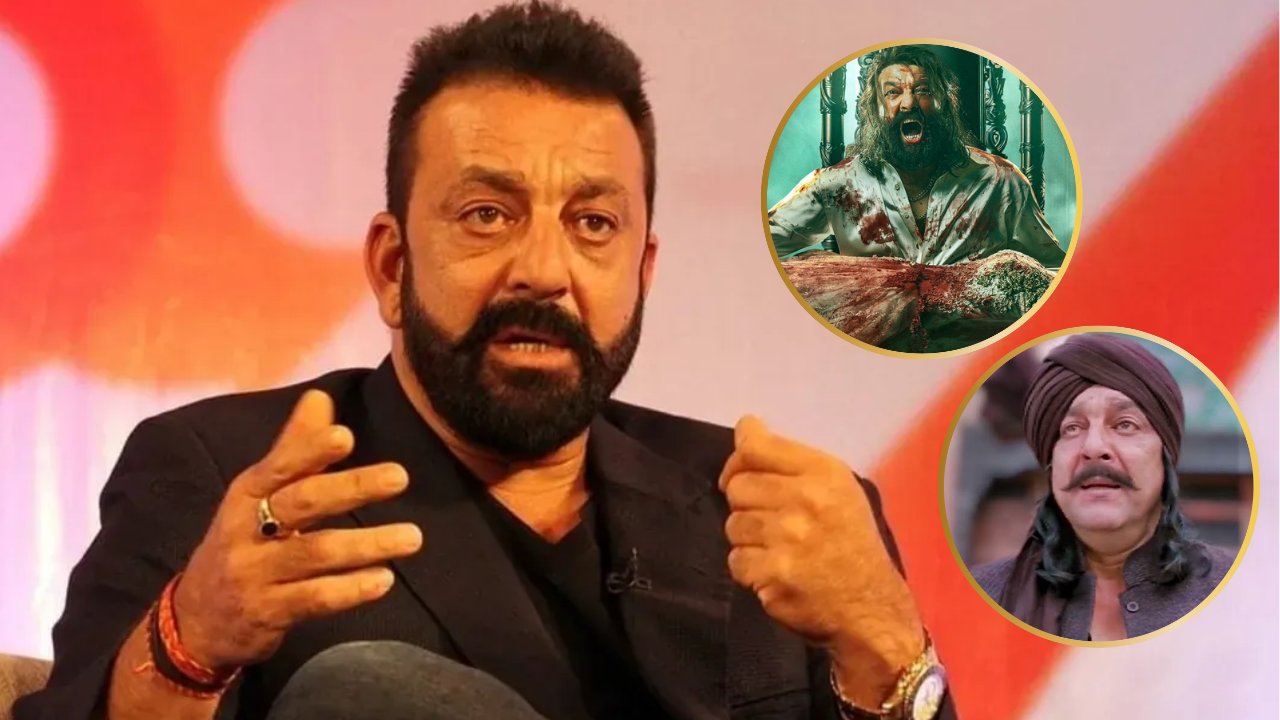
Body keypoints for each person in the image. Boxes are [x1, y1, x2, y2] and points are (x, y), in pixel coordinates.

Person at [16, 4, 954, 719]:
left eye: (593, 223)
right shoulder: (229, 478)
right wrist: (189, 644)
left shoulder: (769, 511)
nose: (543, 269)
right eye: (486, 215)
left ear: (642, 271)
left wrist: (885, 646)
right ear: (393, 266)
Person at [972, 333, 1237, 641]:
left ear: (1164, 455)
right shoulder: (981, 599)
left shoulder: (1241, 592)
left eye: (1125, 425)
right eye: (1072, 428)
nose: (1094, 447)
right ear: (1051, 462)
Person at [767, 45, 1066, 269]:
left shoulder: (1001, 182)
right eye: (892, 93)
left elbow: (1054, 273)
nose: (909, 103)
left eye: (923, 90)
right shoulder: (837, 185)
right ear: (875, 109)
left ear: (945, 103)